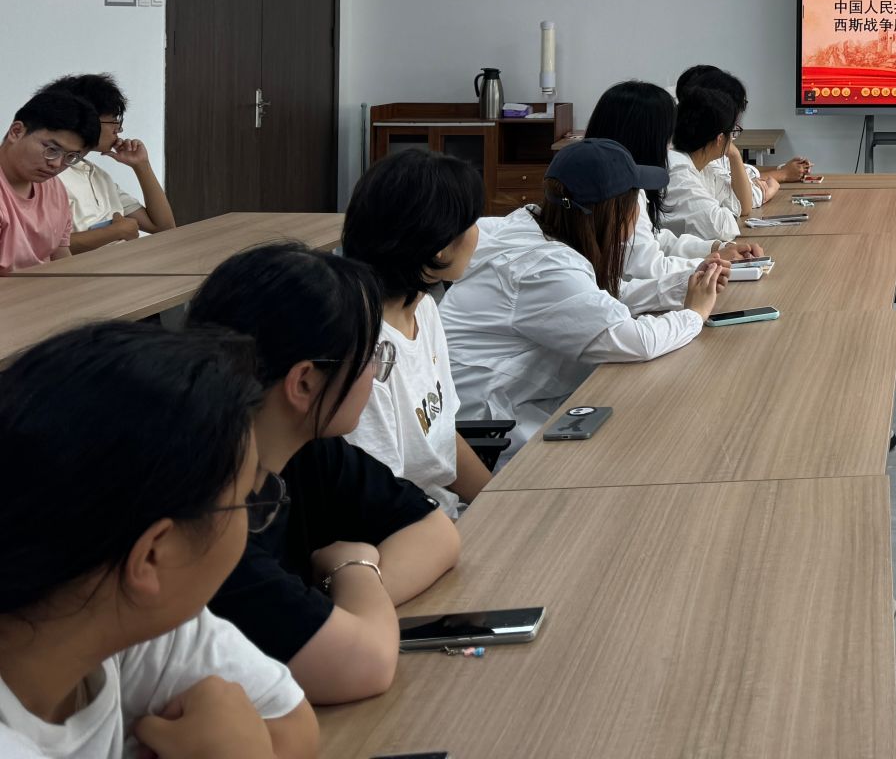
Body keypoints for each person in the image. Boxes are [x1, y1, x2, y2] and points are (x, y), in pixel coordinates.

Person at [0, 320, 318, 759]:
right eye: (245, 499)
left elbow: (291, 725)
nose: (251, 520)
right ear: (152, 554)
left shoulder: (102, 607)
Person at [191, 245, 462, 706]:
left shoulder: (301, 448)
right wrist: (353, 571)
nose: (376, 372)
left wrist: (332, 606)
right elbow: (366, 663)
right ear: (304, 383)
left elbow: (436, 534)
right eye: (370, 356)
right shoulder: (207, 513)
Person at [444, 139, 727, 454]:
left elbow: (600, 298)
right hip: (493, 430)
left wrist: (685, 284)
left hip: (518, 400)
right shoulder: (544, 267)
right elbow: (635, 340)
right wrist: (694, 315)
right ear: (614, 212)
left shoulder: (533, 225)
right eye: (635, 200)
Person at [337, 150, 493, 515]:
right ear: (439, 246)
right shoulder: (368, 354)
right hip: (407, 530)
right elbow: (381, 504)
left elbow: (442, 440)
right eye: (472, 222)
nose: (479, 232)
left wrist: (503, 505)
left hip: (441, 518)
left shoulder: (423, 308)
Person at [582, 80, 760, 282]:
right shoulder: (616, 192)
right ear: (644, 140)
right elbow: (646, 269)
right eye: (666, 139)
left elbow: (654, 238)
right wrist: (709, 262)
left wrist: (715, 249)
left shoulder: (624, 182)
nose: (669, 149)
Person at [40, 74, 176, 255]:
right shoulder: (46, 176)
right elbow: (42, 246)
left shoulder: (96, 175)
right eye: (113, 120)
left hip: (125, 262)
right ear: (84, 118)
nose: (118, 129)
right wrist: (115, 232)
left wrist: (141, 165)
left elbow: (163, 227)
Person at [675, 66, 812, 213]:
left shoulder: (703, 145)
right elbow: (739, 202)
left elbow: (741, 175)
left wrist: (781, 171)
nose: (737, 119)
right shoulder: (697, 154)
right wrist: (779, 177)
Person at [0, 88, 99, 272]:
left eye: (71, 157)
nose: (56, 164)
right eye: (52, 149)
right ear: (16, 131)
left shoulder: (54, 189)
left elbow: (60, 256)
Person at [663, 86, 746, 241]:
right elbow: (721, 228)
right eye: (732, 132)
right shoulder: (677, 170)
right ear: (720, 139)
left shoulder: (704, 167)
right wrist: (724, 212)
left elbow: (739, 205)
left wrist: (734, 155)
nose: (733, 139)